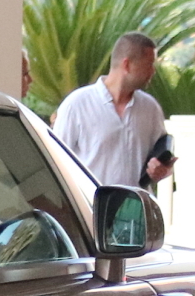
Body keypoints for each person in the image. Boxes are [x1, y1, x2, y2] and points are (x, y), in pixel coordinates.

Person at [51, 31, 174, 189]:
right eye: (149, 64)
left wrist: (162, 169)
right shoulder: (76, 105)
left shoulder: (150, 108)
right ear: (127, 65)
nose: (153, 72)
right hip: (92, 205)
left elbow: (162, 157)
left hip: (137, 207)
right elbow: (56, 161)